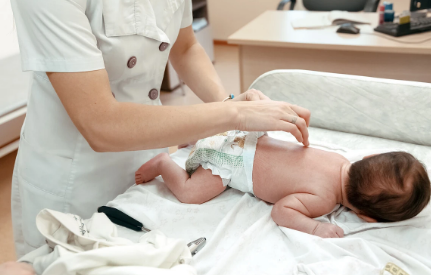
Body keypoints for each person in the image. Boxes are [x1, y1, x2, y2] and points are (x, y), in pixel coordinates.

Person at [9, 0, 311, 263]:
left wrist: (226, 102)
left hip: (147, 158)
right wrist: (234, 114)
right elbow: (100, 123)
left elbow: (186, 47)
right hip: (74, 178)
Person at [135, 131, 431, 238]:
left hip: (243, 135)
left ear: (369, 156)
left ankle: (197, 139)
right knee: (190, 194)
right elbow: (281, 211)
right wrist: (315, 226)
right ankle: (164, 163)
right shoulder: (324, 200)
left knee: (213, 140)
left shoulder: (338, 159)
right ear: (367, 216)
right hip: (232, 160)